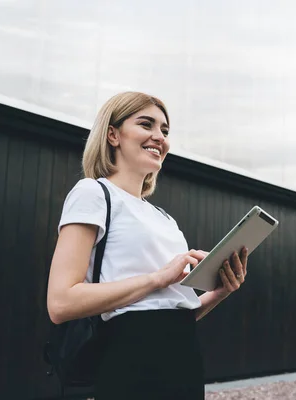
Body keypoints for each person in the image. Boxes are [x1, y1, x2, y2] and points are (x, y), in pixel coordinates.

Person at [46, 91, 248, 399]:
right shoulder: (93, 193)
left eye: (165, 131)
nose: (159, 137)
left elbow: (172, 310)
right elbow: (61, 303)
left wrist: (219, 292)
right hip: (131, 362)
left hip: (184, 362)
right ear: (113, 134)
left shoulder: (164, 218)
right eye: (146, 124)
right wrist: (157, 278)